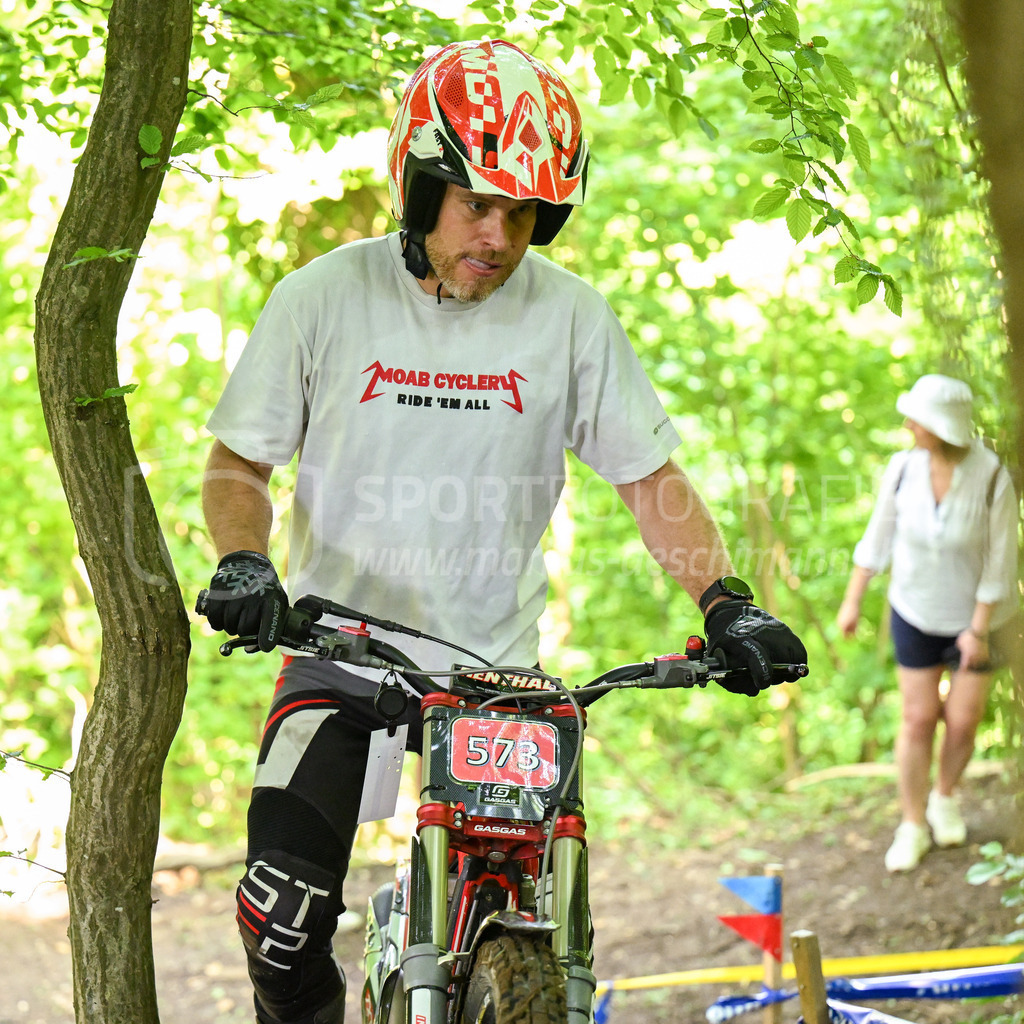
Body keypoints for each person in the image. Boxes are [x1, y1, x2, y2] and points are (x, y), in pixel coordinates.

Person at [200, 39, 807, 1024]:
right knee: (280, 920)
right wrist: (243, 560)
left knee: (536, 909)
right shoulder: (322, 298)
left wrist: (725, 603)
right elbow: (236, 466)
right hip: (335, 652)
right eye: (476, 203)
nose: (499, 232)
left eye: (523, 212)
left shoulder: (568, 319)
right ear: (419, 186)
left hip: (495, 675)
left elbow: (650, 482)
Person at [837, 373, 1018, 873]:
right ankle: (913, 823)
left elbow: (1000, 564)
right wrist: (853, 602)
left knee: (962, 721)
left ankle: (946, 795)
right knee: (918, 719)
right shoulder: (902, 469)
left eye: (917, 418)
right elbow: (876, 541)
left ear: (944, 426)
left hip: (981, 619)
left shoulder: (993, 476)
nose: (908, 424)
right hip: (914, 610)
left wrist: (977, 630)